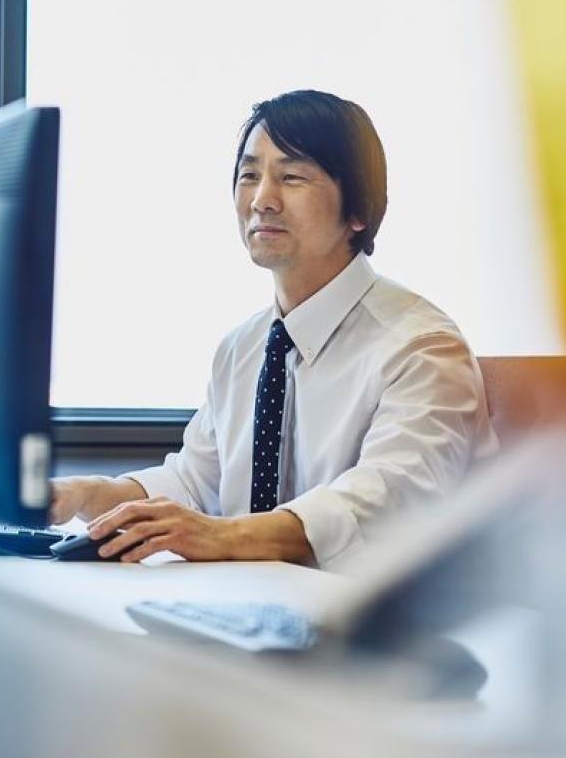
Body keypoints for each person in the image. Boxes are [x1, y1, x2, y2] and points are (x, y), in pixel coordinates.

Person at [50, 90, 495, 570]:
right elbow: (194, 485)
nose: (262, 200)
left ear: (359, 209)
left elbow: (382, 505)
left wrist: (221, 535)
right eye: (249, 176)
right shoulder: (242, 348)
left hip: (380, 632)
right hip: (249, 615)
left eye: (291, 177)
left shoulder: (422, 347)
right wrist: (80, 494)